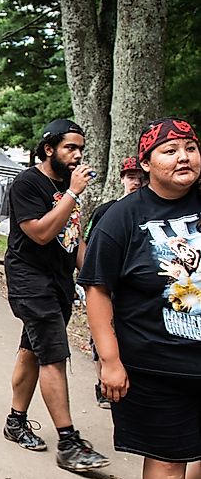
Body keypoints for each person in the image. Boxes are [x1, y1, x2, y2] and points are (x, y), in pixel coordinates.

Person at [79, 118, 201, 479]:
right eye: (170, 151)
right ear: (146, 163)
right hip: (156, 365)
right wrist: (109, 360)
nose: (183, 157)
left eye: (191, 148)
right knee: (168, 461)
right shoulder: (122, 217)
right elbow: (97, 288)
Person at [2, 118, 110, 473]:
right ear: (49, 149)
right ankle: (68, 443)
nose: (78, 155)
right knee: (52, 353)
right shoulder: (27, 183)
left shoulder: (66, 186)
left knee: (31, 351)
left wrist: (97, 279)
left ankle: (15, 422)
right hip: (30, 281)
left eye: (81, 148)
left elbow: (73, 239)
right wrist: (73, 194)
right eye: (70, 148)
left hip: (58, 282)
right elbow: (42, 233)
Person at [82, 156, 144, 410]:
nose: (136, 182)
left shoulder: (151, 212)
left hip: (134, 289)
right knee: (101, 336)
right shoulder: (106, 211)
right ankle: (102, 384)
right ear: (122, 179)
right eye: (131, 177)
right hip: (107, 284)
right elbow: (88, 242)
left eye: (141, 178)